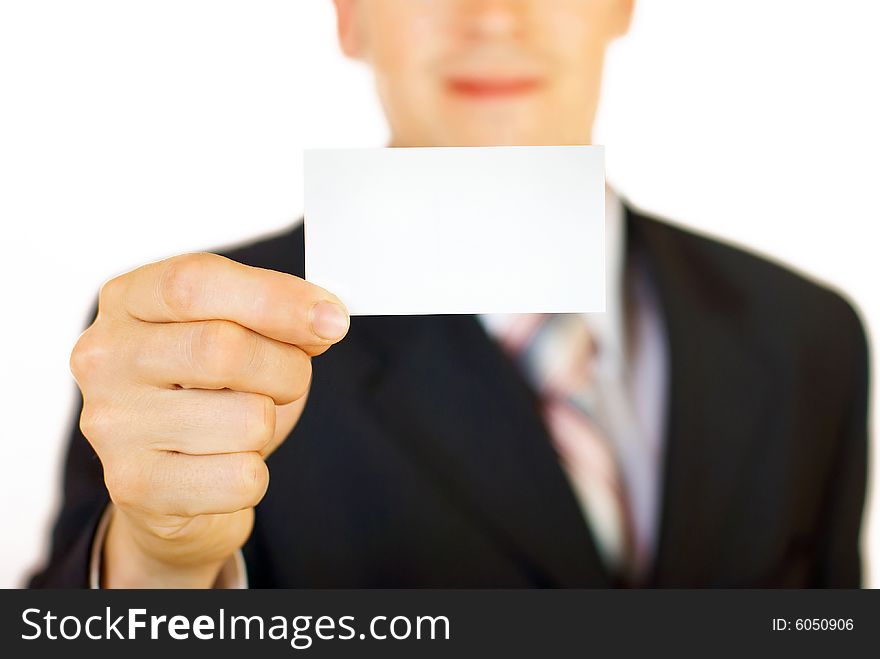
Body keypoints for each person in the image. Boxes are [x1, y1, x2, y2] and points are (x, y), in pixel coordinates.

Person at [31, 0, 869, 589]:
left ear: (622, 3)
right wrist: (156, 565)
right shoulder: (195, 350)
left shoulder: (809, 338)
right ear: (349, 14)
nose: (494, 16)